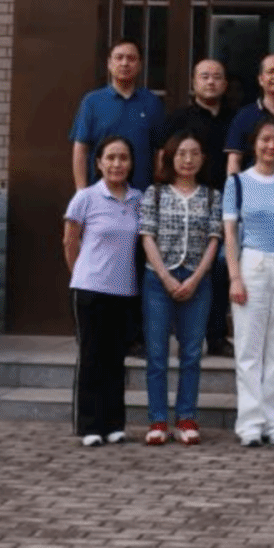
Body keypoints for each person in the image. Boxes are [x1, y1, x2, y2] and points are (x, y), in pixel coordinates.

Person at [222, 116, 274, 448]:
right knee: (249, 348)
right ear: (254, 144)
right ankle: (250, 423)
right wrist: (235, 277)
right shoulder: (237, 183)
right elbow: (230, 233)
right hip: (252, 263)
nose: (271, 146)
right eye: (265, 140)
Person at [137, 131, 222, 446]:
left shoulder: (212, 196)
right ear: (170, 158)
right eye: (182, 153)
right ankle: (158, 420)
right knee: (157, 353)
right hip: (158, 280)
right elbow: (147, 236)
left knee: (191, 353)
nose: (188, 159)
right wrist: (166, 277)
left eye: (194, 153)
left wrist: (196, 278)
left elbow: (214, 239)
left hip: (197, 279)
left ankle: (187, 418)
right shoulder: (155, 193)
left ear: (203, 159)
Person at [62, 135, 141, 447]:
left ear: (130, 163)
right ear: (98, 163)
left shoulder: (138, 199)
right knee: (91, 357)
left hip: (124, 291)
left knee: (116, 359)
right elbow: (70, 241)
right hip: (90, 290)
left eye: (123, 158)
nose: (116, 164)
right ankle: (89, 425)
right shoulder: (85, 198)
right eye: (110, 158)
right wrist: (81, 274)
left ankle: (114, 424)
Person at [164, 58, 237, 356]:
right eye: (204, 76)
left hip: (224, 203)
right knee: (186, 267)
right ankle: (185, 336)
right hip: (185, 201)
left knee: (219, 268)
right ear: (193, 83)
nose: (211, 82)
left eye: (217, 77)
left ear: (225, 84)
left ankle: (216, 336)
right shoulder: (178, 119)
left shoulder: (236, 118)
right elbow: (163, 160)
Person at [69, 38, 165, 191]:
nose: (125, 63)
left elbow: (160, 150)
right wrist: (81, 190)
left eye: (131, 58)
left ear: (140, 65)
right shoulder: (92, 101)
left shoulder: (152, 102)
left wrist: (157, 188)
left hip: (141, 193)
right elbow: (80, 148)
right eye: (119, 58)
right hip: (100, 193)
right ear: (109, 63)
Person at [223, 52, 274, 176]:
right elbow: (234, 161)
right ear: (261, 79)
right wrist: (235, 186)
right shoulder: (244, 116)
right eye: (271, 72)